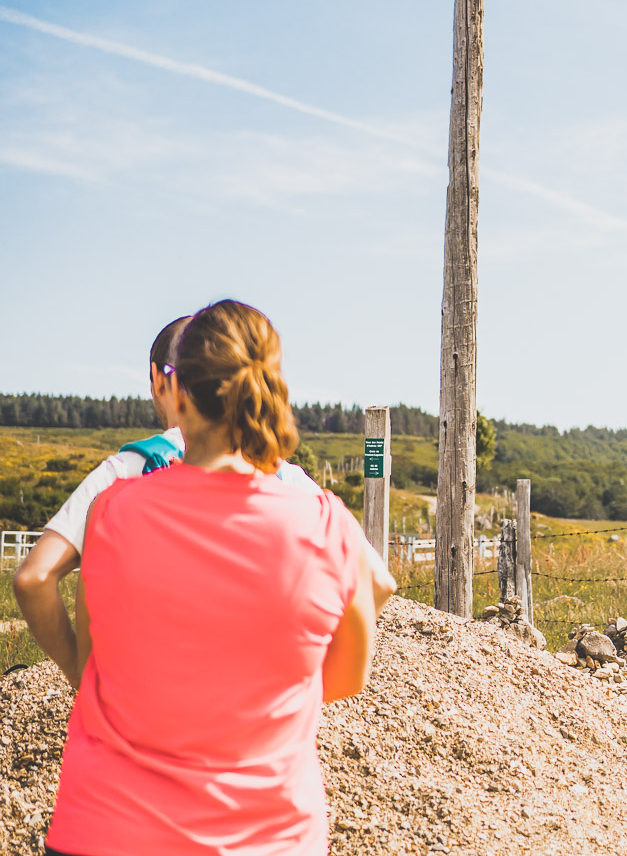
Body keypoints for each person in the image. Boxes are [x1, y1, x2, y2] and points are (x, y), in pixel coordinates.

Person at [47, 299, 387, 856]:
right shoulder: (327, 524)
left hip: (106, 829)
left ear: (176, 393)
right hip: (270, 837)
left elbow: (90, 655)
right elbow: (348, 678)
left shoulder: (111, 511)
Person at [14, 316, 325, 685]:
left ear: (158, 379)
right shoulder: (285, 477)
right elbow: (368, 577)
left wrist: (82, 679)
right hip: (252, 705)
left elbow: (34, 578)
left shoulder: (126, 471)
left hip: (136, 702)